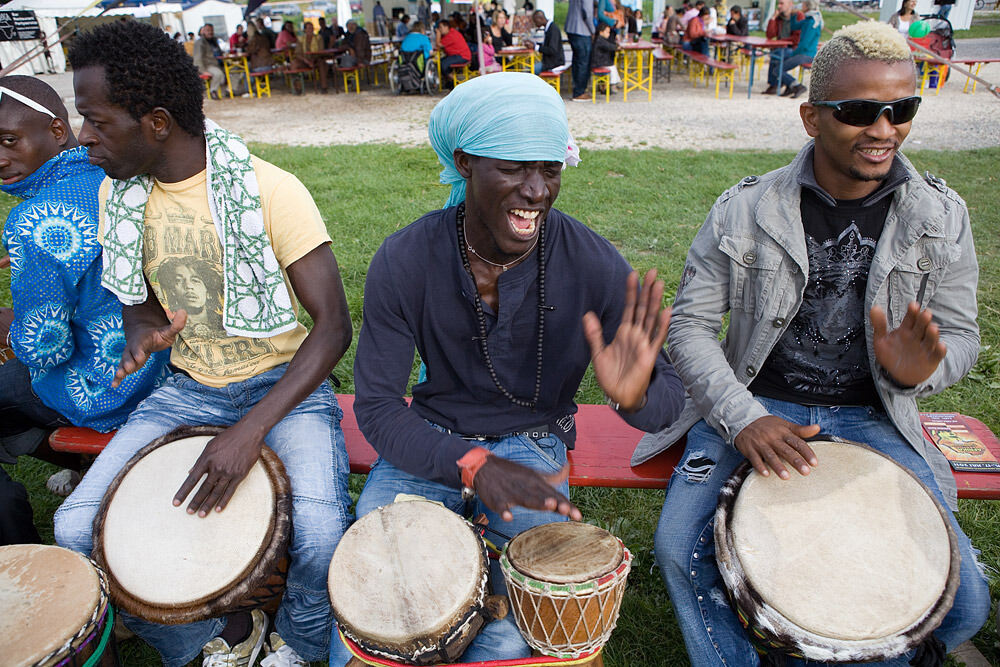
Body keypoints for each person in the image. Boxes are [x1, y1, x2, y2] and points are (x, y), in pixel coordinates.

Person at [637, 21, 990, 667]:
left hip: (874, 415)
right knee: (680, 550)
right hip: (756, 404)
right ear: (811, 117)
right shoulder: (744, 208)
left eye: (901, 109)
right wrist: (743, 419)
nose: (883, 129)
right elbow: (689, 327)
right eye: (858, 111)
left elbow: (962, 335)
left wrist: (918, 375)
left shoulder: (942, 215)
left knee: (965, 606)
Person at [328, 72, 684, 665]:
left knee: (509, 634)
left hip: (533, 446)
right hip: (430, 439)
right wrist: (470, 464)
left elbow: (670, 401)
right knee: (377, 610)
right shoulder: (406, 258)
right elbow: (380, 408)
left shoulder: (590, 260)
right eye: (516, 168)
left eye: (550, 169)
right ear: (465, 163)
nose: (537, 189)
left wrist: (637, 394)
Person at [54, 21, 354, 667]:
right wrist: (141, 329)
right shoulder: (118, 196)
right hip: (189, 389)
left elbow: (332, 326)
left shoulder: (273, 190)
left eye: (97, 121)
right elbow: (136, 298)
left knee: (324, 535)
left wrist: (248, 430)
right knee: (73, 527)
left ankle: (297, 643)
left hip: (285, 389)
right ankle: (215, 640)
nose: (83, 138)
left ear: (157, 122)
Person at [0, 75, 168, 543]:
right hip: (170, 367)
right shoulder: (111, 175)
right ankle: (85, 467)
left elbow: (45, 349)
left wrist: (9, 327)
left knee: (11, 388)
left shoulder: (36, 221)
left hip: (111, 387)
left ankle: (27, 545)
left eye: (9, 141)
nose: (0, 159)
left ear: (57, 130)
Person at [765, 0, 821, 98]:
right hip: (802, 53)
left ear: (807, 6)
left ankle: (797, 86)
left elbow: (804, 44)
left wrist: (794, 53)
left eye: (803, 4)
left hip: (806, 54)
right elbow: (794, 26)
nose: (801, 6)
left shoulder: (812, 22)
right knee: (778, 63)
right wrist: (793, 16)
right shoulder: (808, 19)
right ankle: (788, 86)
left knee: (778, 69)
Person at [763, 0, 803, 94]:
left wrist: (782, 41)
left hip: (794, 48)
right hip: (780, 47)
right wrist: (773, 18)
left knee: (777, 55)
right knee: (775, 54)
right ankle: (780, 84)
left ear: (790, 4)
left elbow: (797, 37)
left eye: (782, 3)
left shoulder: (798, 16)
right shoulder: (779, 18)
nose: (779, 6)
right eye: (778, 3)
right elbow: (770, 35)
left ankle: (775, 84)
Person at [565, 0, 595, 101]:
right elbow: (587, 12)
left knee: (577, 61)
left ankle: (577, 89)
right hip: (582, 30)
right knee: (583, 62)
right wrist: (593, 30)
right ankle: (579, 92)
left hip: (571, 27)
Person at [193, 24, 225, 99]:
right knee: (218, 74)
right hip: (208, 65)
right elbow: (197, 58)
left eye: (211, 30)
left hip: (218, 63)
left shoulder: (214, 40)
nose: (210, 32)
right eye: (208, 30)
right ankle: (213, 91)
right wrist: (203, 70)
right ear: (203, 31)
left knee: (233, 70)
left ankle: (230, 90)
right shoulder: (200, 43)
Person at [436, 20, 471, 87]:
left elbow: (438, 45)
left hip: (462, 56)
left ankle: (456, 81)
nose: (439, 29)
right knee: (442, 61)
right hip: (459, 55)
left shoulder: (451, 35)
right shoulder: (452, 32)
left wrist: (438, 34)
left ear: (446, 27)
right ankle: (450, 81)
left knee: (443, 64)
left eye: (441, 27)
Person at [591, 22, 621, 91]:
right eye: (607, 32)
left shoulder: (600, 39)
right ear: (601, 32)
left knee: (612, 66)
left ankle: (615, 82)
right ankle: (612, 84)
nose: (609, 34)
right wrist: (617, 47)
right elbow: (609, 46)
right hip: (599, 63)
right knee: (612, 68)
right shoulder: (600, 40)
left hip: (600, 61)